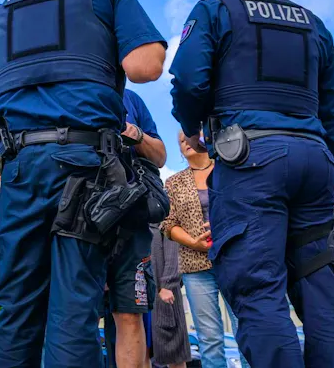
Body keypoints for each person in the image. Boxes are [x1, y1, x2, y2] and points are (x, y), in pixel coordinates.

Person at [0, 0, 167, 367]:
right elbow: (145, 66)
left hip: (19, 169)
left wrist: (29, 80)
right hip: (83, 169)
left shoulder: (3, 9)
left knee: (17, 308)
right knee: (74, 307)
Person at [169, 0, 334, 367]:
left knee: (257, 286)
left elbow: (189, 80)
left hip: (252, 160)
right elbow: (329, 106)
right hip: (315, 160)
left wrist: (193, 129)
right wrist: (327, 158)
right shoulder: (313, 22)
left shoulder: (215, 9)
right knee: (318, 283)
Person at [160, 132, 245, 368]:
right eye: (180, 142)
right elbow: (168, 223)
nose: (185, 143)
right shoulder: (174, 182)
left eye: (188, 137)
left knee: (246, 328)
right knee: (209, 339)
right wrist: (193, 242)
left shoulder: (228, 170)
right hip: (195, 266)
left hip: (233, 259)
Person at [104, 89, 168, 368]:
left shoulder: (132, 99)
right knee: (74, 315)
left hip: (130, 221)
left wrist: (137, 135)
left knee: (130, 314)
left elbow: (161, 156)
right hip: (78, 221)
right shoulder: (70, 85)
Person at [150, 222, 191, 368]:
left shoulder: (163, 210)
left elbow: (174, 250)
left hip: (165, 290)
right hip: (142, 292)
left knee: (174, 349)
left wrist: (168, 284)